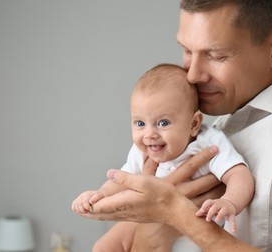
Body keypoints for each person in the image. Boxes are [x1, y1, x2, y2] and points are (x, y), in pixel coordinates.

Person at [79, 0, 272, 251]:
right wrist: (154, 223)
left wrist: (176, 213)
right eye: (186, 51)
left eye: (216, 55)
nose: (192, 75)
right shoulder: (206, 131)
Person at [72, 64, 254, 251]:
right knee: (102, 247)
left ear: (194, 123)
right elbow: (121, 182)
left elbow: (239, 174)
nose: (149, 134)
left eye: (163, 123)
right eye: (140, 123)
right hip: (151, 218)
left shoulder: (207, 142)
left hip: (194, 229)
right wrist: (98, 195)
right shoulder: (141, 152)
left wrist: (230, 201)